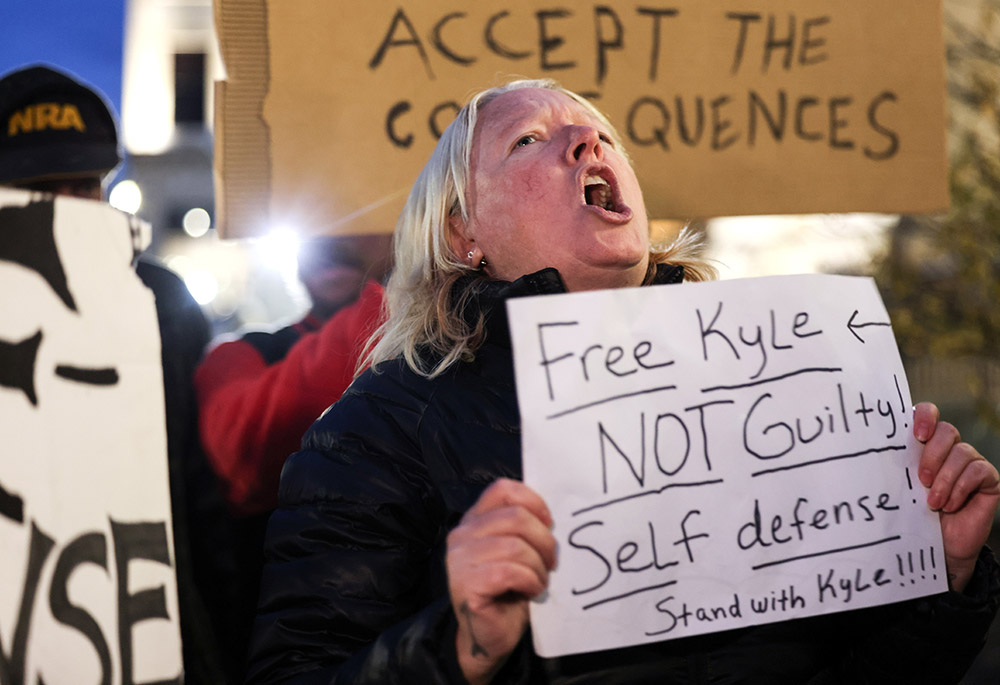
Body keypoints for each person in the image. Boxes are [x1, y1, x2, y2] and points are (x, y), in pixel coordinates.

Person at [246, 78, 1000, 683]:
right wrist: (458, 644)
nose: (586, 139)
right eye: (530, 140)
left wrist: (947, 576)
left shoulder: (771, 384)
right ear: (460, 233)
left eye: (602, 135)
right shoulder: (375, 430)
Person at [0, 64, 239, 683]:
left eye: (84, 186)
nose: (69, 209)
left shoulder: (159, 299)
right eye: (42, 191)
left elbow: (196, 491)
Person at [193, 233, 386, 674]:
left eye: (350, 223)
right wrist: (407, 287)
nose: (330, 244)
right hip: (286, 648)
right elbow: (243, 454)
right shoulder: (239, 354)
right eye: (312, 233)